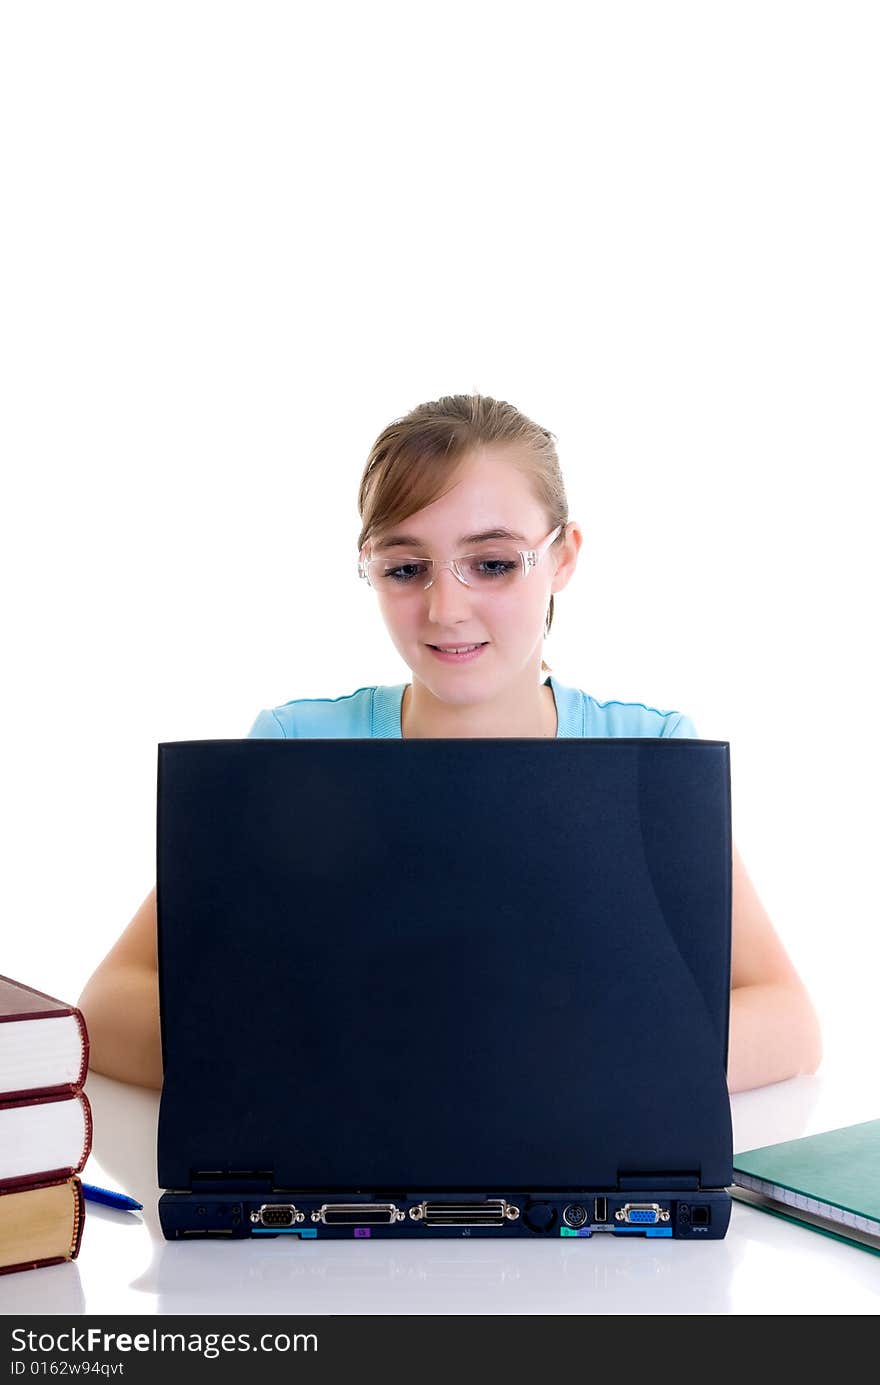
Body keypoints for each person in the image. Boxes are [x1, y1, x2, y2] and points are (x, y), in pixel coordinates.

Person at [78, 392, 822, 1093]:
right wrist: (330, 1058)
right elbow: (111, 1002)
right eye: (405, 569)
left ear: (562, 557)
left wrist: (559, 1064)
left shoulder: (649, 753)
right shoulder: (297, 746)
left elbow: (787, 1019)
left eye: (492, 563)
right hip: (352, 1163)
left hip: (570, 1169)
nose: (445, 607)